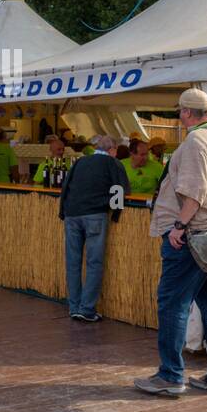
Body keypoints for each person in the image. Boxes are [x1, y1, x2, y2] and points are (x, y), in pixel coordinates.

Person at [135, 88, 207, 398]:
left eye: (180, 111)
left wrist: (179, 226)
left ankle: (170, 374)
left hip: (194, 237)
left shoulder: (196, 141)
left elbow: (194, 192)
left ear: (186, 113)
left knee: (173, 305)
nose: (179, 117)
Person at [58, 134, 130, 322]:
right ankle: (87, 309)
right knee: (93, 263)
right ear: (112, 149)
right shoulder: (113, 164)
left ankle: (74, 307)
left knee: (73, 262)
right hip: (95, 215)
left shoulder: (80, 162)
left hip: (72, 214)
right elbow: (121, 191)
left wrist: (62, 211)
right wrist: (115, 213)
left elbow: (65, 187)